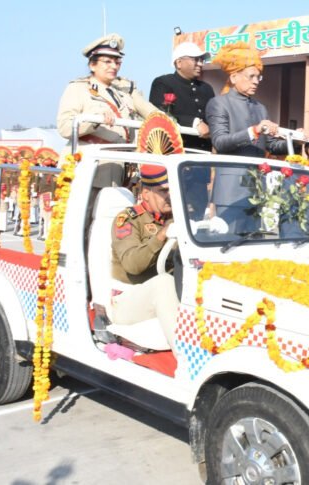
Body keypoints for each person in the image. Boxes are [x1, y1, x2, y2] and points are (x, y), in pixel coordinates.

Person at [57, 33, 158, 188]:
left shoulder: (124, 92)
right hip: (87, 166)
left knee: (111, 211)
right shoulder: (78, 88)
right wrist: (94, 120)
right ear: (92, 65)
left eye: (117, 62)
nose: (113, 66)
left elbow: (154, 114)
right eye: (107, 61)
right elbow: (65, 127)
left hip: (117, 167)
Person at [110, 164, 179, 352]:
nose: (170, 196)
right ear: (146, 193)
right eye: (163, 191)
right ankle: (186, 356)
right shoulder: (128, 219)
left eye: (173, 189)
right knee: (163, 283)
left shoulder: (175, 218)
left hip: (166, 296)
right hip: (126, 300)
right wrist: (160, 236)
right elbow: (133, 265)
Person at [205, 42, 294, 157]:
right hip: (232, 173)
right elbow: (220, 143)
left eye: (258, 77)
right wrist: (254, 131)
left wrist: (295, 140)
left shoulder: (260, 108)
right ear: (234, 77)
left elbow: (271, 146)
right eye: (251, 76)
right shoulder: (218, 103)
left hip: (258, 173)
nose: (256, 81)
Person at [149, 42, 215, 151]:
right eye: (196, 59)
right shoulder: (163, 83)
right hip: (177, 151)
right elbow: (160, 114)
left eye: (201, 60)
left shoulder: (206, 88)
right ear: (179, 63)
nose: (200, 64)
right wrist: (194, 122)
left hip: (206, 151)